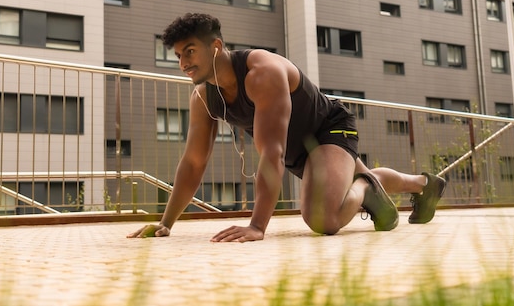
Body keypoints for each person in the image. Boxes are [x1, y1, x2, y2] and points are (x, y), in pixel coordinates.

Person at [128, 13, 446, 242]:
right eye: (179, 55)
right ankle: (424, 184)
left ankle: (364, 186)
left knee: (323, 218)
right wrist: (166, 223)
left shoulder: (260, 73)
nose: (183, 63)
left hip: (328, 131)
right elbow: (193, 163)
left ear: (215, 46)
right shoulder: (203, 97)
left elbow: (272, 153)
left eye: (190, 51)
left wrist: (257, 226)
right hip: (300, 152)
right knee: (341, 183)